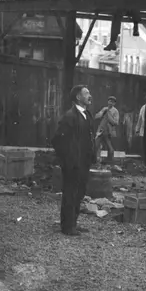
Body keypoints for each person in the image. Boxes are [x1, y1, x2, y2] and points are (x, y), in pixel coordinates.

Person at [51, 85, 96, 236]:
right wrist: (68, 160)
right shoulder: (70, 116)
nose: (90, 95)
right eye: (86, 93)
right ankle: (67, 227)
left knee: (79, 193)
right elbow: (57, 140)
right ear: (78, 97)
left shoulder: (87, 115)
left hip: (84, 163)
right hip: (72, 165)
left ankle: (73, 224)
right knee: (70, 194)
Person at [94, 96, 119, 163]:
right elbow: (96, 116)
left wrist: (108, 115)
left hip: (109, 131)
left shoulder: (115, 111)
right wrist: (101, 113)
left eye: (112, 102)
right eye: (110, 101)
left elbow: (116, 122)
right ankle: (94, 160)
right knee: (96, 145)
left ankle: (109, 161)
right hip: (101, 130)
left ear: (114, 103)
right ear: (107, 101)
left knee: (110, 147)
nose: (110, 103)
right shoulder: (104, 109)